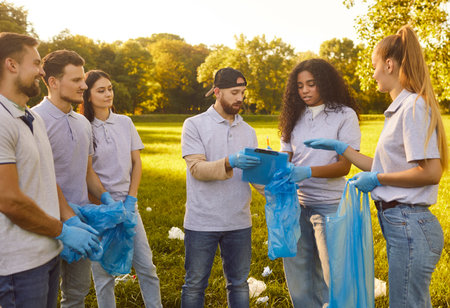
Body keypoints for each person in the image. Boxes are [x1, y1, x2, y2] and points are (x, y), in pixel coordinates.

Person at [304, 25, 446, 308]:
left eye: (374, 66)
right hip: (402, 223)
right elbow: (383, 166)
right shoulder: (400, 109)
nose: (373, 73)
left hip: (409, 223)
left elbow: (431, 173)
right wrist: (345, 151)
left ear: (389, 65)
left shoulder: (413, 107)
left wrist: (377, 178)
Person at [0, 33, 100, 308]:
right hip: (16, 266)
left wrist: (72, 220)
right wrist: (62, 231)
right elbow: (7, 199)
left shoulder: (31, 118)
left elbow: (47, 179)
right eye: (35, 63)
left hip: (47, 254)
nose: (42, 71)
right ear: (11, 65)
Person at [32, 50, 113, 308]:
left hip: (82, 223)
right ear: (53, 82)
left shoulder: (82, 123)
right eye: (76, 79)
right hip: (43, 224)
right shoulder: (34, 120)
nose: (84, 85)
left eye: (83, 79)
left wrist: (107, 200)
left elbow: (87, 172)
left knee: (76, 295)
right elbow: (37, 177)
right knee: (41, 298)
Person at [279, 58, 361, 307]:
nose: (304, 90)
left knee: (332, 277)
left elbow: (344, 165)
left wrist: (307, 172)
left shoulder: (344, 115)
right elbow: (285, 159)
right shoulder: (293, 116)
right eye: (300, 86)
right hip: (296, 206)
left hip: (329, 206)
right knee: (300, 278)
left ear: (324, 84)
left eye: (311, 84)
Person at [80, 69, 162, 308]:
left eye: (110, 89)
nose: (108, 94)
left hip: (128, 207)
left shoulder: (125, 122)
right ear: (88, 96)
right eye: (101, 90)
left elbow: (136, 162)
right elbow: (87, 171)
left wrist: (131, 199)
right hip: (99, 209)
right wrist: (105, 203)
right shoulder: (84, 127)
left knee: (147, 266)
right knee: (104, 275)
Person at [180, 67, 261, 307]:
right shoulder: (194, 125)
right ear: (217, 92)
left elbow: (254, 176)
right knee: (195, 284)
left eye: (243, 92)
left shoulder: (248, 131)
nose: (240, 98)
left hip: (239, 221)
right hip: (202, 221)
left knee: (238, 284)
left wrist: (278, 191)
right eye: (234, 92)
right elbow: (196, 168)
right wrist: (229, 162)